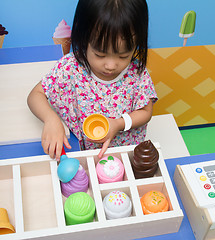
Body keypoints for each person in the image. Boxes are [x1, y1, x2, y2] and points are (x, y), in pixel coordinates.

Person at [27, 0, 157, 160]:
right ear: (83, 38)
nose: (111, 65)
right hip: (84, 154)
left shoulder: (136, 73)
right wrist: (51, 119)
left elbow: (146, 112)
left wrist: (118, 124)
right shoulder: (70, 67)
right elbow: (35, 95)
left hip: (125, 155)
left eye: (123, 56)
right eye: (100, 55)